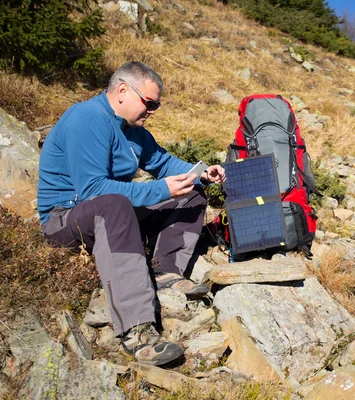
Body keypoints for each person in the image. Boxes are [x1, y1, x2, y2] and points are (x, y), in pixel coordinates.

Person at [37, 61, 226, 366]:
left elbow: (162, 163)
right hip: (64, 220)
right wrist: (161, 190)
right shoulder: (87, 119)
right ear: (123, 91)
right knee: (115, 203)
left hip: (109, 212)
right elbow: (93, 191)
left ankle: (166, 271)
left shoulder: (134, 130)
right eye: (149, 103)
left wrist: (201, 174)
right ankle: (136, 332)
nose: (152, 111)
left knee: (190, 192)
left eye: (157, 105)